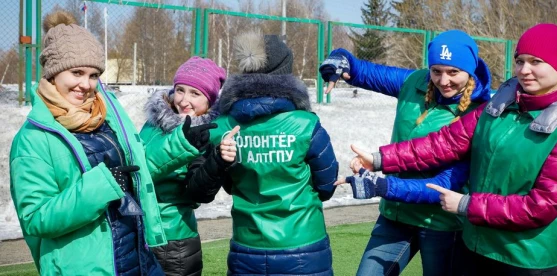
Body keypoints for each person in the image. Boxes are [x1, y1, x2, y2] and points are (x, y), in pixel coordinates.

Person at [351, 23, 557, 275]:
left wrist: (467, 205)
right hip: (475, 247)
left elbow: (541, 206)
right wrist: (379, 159)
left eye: (536, 62)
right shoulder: (499, 106)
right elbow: (443, 143)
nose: (525, 70)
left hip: (524, 258)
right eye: (520, 61)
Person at [320, 30, 492, 275]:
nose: (443, 81)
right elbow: (361, 70)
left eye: (453, 72)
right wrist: (339, 59)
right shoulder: (415, 81)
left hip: (441, 224)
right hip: (395, 216)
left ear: (470, 70)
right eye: (437, 71)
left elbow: (444, 185)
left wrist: (381, 186)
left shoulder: (480, 114)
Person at [10, 11, 166, 275]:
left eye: (94, 75)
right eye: (77, 72)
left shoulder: (109, 116)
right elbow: (35, 218)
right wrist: (100, 186)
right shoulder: (32, 139)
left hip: (137, 258)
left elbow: (138, 166)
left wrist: (182, 144)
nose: (86, 84)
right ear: (54, 73)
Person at [186, 30, 339, 275]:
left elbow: (224, 182)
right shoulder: (306, 124)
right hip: (303, 242)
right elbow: (327, 186)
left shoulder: (223, 126)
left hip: (247, 244)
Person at [139, 56, 227, 276]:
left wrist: (216, 162)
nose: (184, 100)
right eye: (180, 90)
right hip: (140, 233)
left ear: (210, 101)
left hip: (173, 240)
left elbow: (198, 192)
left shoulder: (204, 134)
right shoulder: (153, 124)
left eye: (195, 94)